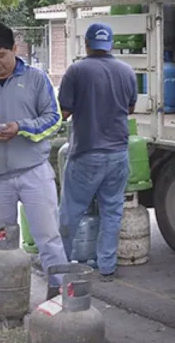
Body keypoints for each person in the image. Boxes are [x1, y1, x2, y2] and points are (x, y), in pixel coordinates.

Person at [0, 22, 68, 298]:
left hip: (34, 173)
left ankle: (61, 296)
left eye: (1, 55)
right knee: (1, 243)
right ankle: (6, 299)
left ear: (15, 50)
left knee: (48, 238)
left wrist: (21, 127)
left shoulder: (36, 79)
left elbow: (54, 120)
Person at [57, 22, 137, 282]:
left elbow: (65, 112)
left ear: (87, 44)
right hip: (118, 154)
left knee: (71, 211)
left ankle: (62, 266)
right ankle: (107, 267)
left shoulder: (76, 71)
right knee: (111, 212)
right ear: (110, 44)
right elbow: (130, 109)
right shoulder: (127, 71)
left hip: (86, 153)